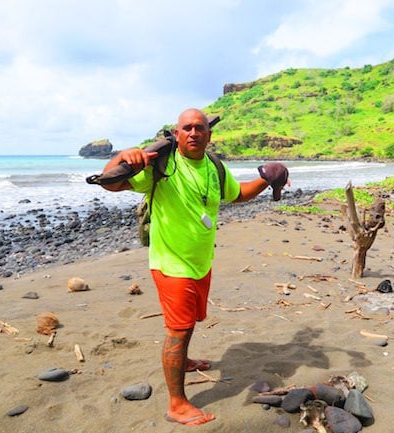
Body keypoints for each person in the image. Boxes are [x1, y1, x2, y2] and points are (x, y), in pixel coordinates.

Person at [99, 108, 288, 426]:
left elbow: (236, 194)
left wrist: (266, 180)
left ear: (209, 135)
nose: (193, 133)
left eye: (199, 128)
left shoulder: (214, 166)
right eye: (186, 128)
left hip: (201, 262)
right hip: (171, 265)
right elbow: (110, 183)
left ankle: (183, 361)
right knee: (179, 329)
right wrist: (122, 158)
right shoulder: (163, 163)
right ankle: (177, 404)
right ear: (176, 134)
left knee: (189, 323)